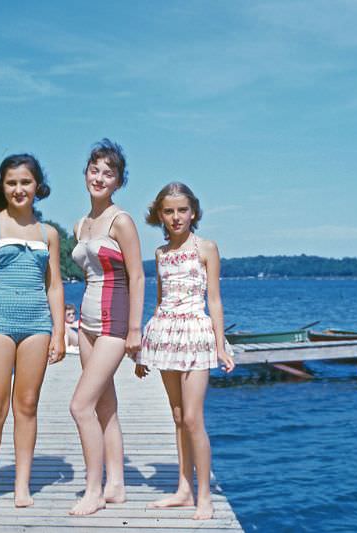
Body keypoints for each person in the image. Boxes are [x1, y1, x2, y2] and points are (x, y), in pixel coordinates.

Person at [0, 154, 66, 509]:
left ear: (37, 186)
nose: (18, 189)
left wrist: (59, 333)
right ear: (2, 187)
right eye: (11, 182)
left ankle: (22, 485)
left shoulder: (48, 233)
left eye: (25, 182)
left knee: (27, 404)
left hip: (37, 324)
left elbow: (54, 287)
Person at [135, 182, 236, 520]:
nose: (176, 217)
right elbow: (160, 301)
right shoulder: (161, 254)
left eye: (182, 210)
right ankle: (183, 489)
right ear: (159, 215)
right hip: (165, 333)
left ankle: (204, 494)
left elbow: (215, 300)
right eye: (169, 211)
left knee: (193, 418)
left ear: (193, 212)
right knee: (178, 417)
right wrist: (144, 351)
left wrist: (221, 347)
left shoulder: (206, 248)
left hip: (195, 333)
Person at [69, 139, 145, 515]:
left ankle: (93, 490)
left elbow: (138, 276)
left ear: (118, 181)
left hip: (115, 324)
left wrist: (135, 330)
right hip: (86, 323)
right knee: (103, 407)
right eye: (95, 170)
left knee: (79, 405)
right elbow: (90, 275)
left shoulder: (121, 221)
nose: (99, 177)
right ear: (86, 173)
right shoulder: (80, 224)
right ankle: (116, 485)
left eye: (108, 173)